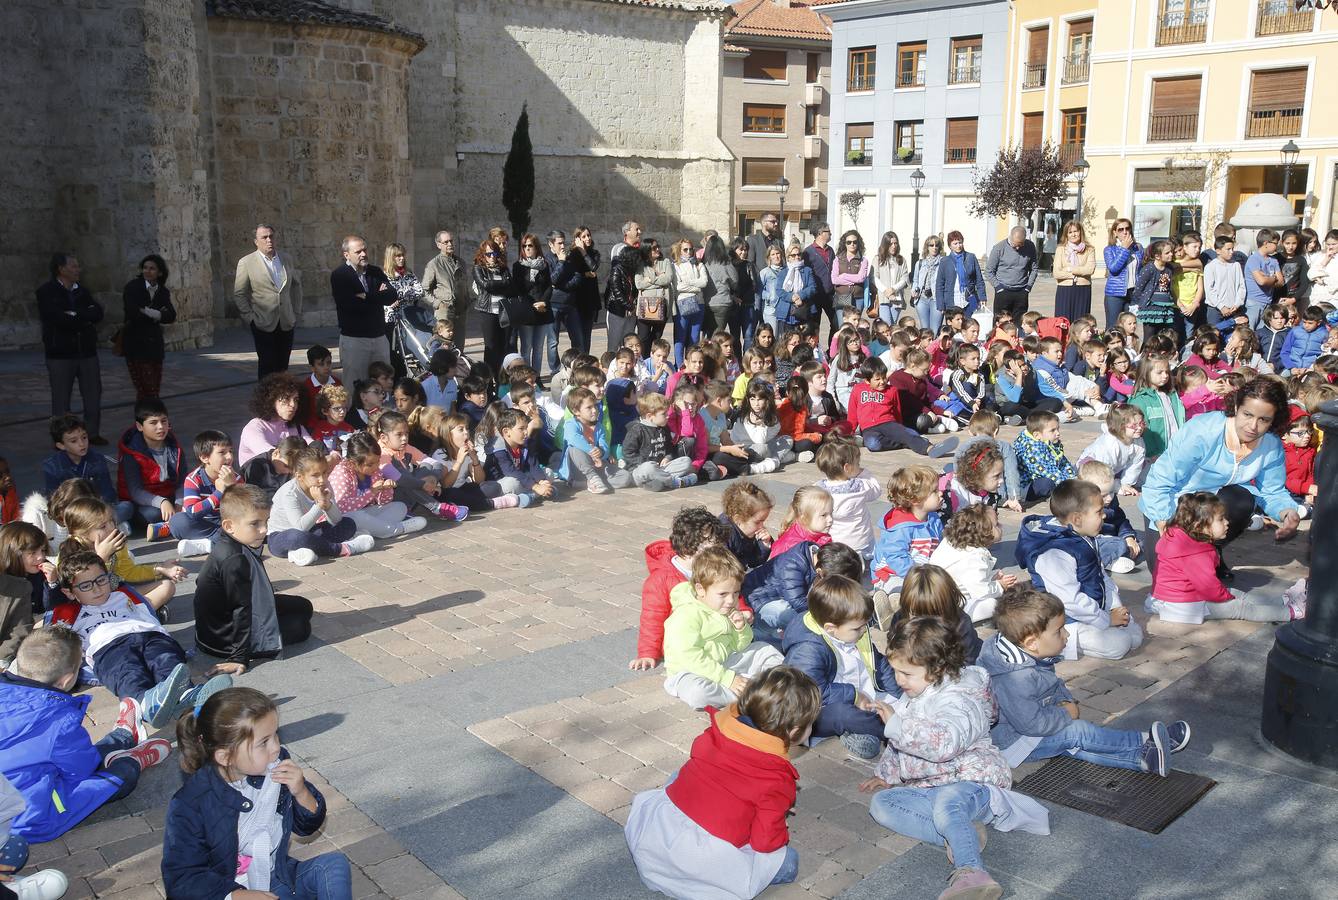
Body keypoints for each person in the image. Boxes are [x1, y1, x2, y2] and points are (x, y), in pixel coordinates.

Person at [862, 617, 1043, 900]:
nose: (898, 680)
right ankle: (963, 836)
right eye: (895, 671)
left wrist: (897, 725)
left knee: (948, 802)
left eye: (906, 673)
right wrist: (886, 774)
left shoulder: (960, 698)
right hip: (933, 786)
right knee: (883, 804)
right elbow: (901, 747)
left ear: (937, 669)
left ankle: (971, 872)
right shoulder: (919, 692)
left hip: (973, 783)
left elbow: (943, 744)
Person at [624, 666, 820, 899]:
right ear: (795, 730)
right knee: (788, 862)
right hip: (701, 860)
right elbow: (764, 841)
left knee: (679, 778)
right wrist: (778, 814)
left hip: (657, 835)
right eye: (811, 724)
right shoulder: (776, 778)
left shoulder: (716, 730)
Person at [163, 687, 352, 899]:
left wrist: (300, 792)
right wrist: (235, 896)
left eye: (275, 735)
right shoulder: (189, 804)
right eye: (264, 742)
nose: (276, 748)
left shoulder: (275, 767)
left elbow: (305, 827)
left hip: (278, 876)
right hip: (226, 890)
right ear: (225, 757)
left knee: (333, 865)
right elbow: (182, 880)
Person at [980, 587, 1188, 777]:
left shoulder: (1025, 651)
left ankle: (1144, 760)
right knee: (1079, 733)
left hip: (1028, 728)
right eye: (1059, 631)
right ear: (1032, 642)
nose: (1067, 634)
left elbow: (1051, 684)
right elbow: (1032, 724)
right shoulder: (1013, 678)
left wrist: (1063, 700)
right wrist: (1066, 713)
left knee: (1076, 746)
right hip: (1014, 743)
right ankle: (1146, 741)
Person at [0, 628, 171, 844]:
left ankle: (125, 733)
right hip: (29, 817)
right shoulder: (59, 721)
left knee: (66, 754)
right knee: (118, 778)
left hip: (20, 786)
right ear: (67, 680)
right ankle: (132, 759)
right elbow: (82, 770)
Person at [48, 549, 231, 726]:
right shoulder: (68, 611)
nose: (97, 589)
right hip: (108, 647)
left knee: (167, 660)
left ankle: (185, 696)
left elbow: (145, 604)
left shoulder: (122, 594)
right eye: (86, 585)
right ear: (70, 592)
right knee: (127, 672)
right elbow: (52, 639)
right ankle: (144, 703)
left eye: (101, 580)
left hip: (150, 634)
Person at [1140, 376, 1300, 565]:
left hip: (1213, 504)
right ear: (1236, 407)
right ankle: (1197, 553)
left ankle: (1210, 551)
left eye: (1264, 419)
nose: (1253, 426)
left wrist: (1287, 511)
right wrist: (1163, 520)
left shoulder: (1271, 446)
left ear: (1274, 420)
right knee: (1164, 572)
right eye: (1247, 414)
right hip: (1171, 501)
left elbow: (1272, 490)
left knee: (1242, 499)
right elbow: (1160, 481)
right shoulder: (1202, 431)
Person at [1015, 480, 1144, 660]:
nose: (1105, 516)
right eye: (1099, 512)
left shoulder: (1082, 536)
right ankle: (1063, 644)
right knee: (1120, 644)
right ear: (1077, 519)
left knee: (1130, 631)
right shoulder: (1054, 553)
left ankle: (1107, 627)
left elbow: (1100, 576)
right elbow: (1069, 601)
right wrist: (1106, 619)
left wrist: (1115, 606)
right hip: (1066, 621)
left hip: (1093, 611)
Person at [193, 484, 314, 670]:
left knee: (304, 606)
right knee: (301, 627)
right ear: (229, 526)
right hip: (226, 642)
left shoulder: (231, 541)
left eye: (266, 521)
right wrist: (239, 657)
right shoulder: (235, 559)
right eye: (255, 523)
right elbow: (241, 609)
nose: (264, 530)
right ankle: (242, 651)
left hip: (215, 629)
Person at [662, 546, 783, 710]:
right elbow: (690, 657)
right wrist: (728, 679)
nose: (731, 600)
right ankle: (753, 692)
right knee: (697, 693)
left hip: (727, 663)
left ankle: (764, 686)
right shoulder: (685, 616)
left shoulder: (723, 607)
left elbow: (739, 646)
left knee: (765, 650)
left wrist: (741, 629)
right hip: (691, 672)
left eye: (735, 593)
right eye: (723, 594)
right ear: (700, 589)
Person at [1145, 491, 1293, 625]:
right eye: (1221, 519)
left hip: (1173, 598)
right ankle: (1292, 612)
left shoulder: (1182, 537)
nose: (1227, 523)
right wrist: (1228, 600)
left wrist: (1228, 594)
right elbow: (1208, 587)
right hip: (1182, 606)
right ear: (1200, 525)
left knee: (1235, 592)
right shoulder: (1195, 552)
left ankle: (1282, 601)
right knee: (1240, 608)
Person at [630, 506, 730, 671]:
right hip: (682, 639)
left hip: (713, 630)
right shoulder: (661, 579)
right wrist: (647, 653)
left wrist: (742, 609)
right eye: (709, 547)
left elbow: (731, 591)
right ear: (687, 547)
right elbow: (652, 618)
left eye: (717, 546)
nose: (716, 552)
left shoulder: (715, 567)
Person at [37, 252, 105, 444]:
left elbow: (97, 313)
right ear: (61, 269)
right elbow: (56, 318)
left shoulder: (82, 291)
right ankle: (62, 438)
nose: (78, 270)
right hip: (60, 354)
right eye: (74, 266)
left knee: (93, 395)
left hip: (87, 352)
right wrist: (82, 317)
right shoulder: (47, 291)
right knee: (61, 399)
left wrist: (76, 314)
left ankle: (92, 433)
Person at [266, 444, 373, 567]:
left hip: (310, 531)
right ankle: (342, 548)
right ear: (300, 476)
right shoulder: (290, 493)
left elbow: (336, 520)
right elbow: (300, 528)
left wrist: (328, 505)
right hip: (281, 537)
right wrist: (320, 504)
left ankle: (300, 552)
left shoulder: (325, 484)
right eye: (315, 475)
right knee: (297, 537)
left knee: (348, 524)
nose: (322, 479)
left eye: (324, 473)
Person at [233, 225, 300, 379]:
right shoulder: (247, 262)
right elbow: (239, 293)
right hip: (262, 321)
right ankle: (266, 400)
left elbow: (296, 286)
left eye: (271, 236)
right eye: (264, 237)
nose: (269, 240)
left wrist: (295, 312)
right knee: (267, 365)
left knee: (283, 366)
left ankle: (282, 399)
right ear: (256, 241)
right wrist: (250, 317)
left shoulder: (286, 259)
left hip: (286, 321)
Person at [930, 504, 1015, 623]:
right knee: (993, 604)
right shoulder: (975, 557)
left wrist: (991, 578)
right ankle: (955, 620)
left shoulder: (952, 542)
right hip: (949, 606)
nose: (1001, 526)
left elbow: (969, 578)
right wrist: (1000, 585)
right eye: (996, 524)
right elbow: (981, 591)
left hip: (934, 597)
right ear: (984, 532)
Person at [331, 235, 395, 384]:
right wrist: (378, 296)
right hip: (355, 339)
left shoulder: (375, 272)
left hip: (379, 336)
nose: (363, 254)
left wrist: (366, 296)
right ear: (346, 255)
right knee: (356, 384)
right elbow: (350, 305)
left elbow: (392, 295)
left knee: (384, 382)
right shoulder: (340, 275)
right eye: (358, 251)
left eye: (365, 250)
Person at [166, 430, 241, 557]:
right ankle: (221, 542)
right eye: (222, 452)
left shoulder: (236, 478)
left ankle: (206, 545)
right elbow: (192, 512)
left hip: (226, 523)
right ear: (204, 457)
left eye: (230, 451)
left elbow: (243, 509)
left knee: (245, 527)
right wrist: (219, 493)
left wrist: (232, 487)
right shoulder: (194, 479)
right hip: (203, 524)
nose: (229, 457)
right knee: (178, 522)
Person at [117, 398, 187, 534]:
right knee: (152, 514)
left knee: (193, 504)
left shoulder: (175, 447)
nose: (160, 427)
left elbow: (182, 481)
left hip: (169, 496)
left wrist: (179, 502)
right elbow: (135, 491)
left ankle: (167, 525)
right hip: (142, 503)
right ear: (139, 426)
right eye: (153, 423)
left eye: (164, 421)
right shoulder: (131, 453)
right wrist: (162, 502)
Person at [871, 465, 943, 592]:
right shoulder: (900, 527)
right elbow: (896, 558)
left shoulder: (933, 518)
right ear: (915, 500)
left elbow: (940, 547)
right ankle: (890, 605)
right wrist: (917, 578)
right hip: (892, 573)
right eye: (934, 491)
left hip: (923, 571)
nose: (941, 493)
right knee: (898, 589)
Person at [39, 414, 124, 520]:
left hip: (97, 509)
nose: (82, 444)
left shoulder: (97, 459)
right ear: (61, 445)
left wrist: (96, 508)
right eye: (73, 441)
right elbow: (54, 500)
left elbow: (107, 492)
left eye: (84, 437)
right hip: (72, 514)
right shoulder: (52, 466)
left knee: (126, 507)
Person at [120, 253, 177, 401]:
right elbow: (133, 312)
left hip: (155, 346)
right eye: (145, 268)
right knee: (146, 388)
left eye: (152, 268)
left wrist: (151, 313)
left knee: (153, 388)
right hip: (136, 344)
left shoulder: (162, 291)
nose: (147, 271)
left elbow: (170, 315)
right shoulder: (133, 287)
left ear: (159, 272)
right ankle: (146, 420)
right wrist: (156, 314)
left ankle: (145, 420)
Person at [814, 437, 881, 558]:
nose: (859, 467)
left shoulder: (818, 489)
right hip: (861, 543)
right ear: (847, 468)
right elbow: (876, 490)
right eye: (858, 464)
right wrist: (863, 472)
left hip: (833, 543)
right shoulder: (860, 487)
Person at [237, 373, 311, 468]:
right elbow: (275, 457)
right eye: (286, 399)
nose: (293, 404)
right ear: (271, 400)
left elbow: (312, 446)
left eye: (296, 399)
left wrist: (332, 454)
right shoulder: (254, 428)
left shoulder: (296, 426)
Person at [514, 234, 555, 378]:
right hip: (527, 310)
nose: (527, 249)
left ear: (536, 247)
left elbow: (549, 286)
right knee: (526, 348)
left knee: (538, 348)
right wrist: (532, 305)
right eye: (524, 246)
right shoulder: (518, 266)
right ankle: (526, 377)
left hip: (543, 309)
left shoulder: (544, 265)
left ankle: (536, 378)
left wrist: (543, 302)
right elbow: (519, 289)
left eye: (530, 245)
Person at [1013, 410, 1076, 502]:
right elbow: (1047, 471)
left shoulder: (1048, 440)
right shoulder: (1032, 450)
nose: (1058, 433)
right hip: (1027, 485)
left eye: (1058, 429)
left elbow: (1062, 461)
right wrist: (1069, 485)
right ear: (1037, 435)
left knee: (1071, 473)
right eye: (1053, 430)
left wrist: (1073, 477)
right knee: (1047, 484)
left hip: (1044, 474)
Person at [421, 230, 469, 341]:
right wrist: (438, 303)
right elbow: (424, 290)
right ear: (438, 245)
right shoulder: (434, 264)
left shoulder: (461, 262)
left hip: (461, 310)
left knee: (459, 345)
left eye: (451, 241)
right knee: (444, 345)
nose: (450, 244)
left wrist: (467, 301)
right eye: (446, 242)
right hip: (445, 311)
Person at [668, 238, 708, 368]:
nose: (689, 252)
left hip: (699, 303)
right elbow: (678, 286)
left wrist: (690, 284)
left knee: (694, 337)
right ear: (680, 251)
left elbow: (704, 282)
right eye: (685, 249)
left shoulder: (699, 265)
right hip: (683, 303)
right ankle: (679, 365)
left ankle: (692, 363)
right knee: (681, 336)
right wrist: (696, 287)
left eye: (691, 249)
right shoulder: (675, 266)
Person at [934, 232, 987, 330]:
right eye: (955, 243)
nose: (959, 246)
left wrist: (982, 297)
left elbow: (979, 279)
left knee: (969, 327)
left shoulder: (971, 257)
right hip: (951, 300)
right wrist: (940, 304)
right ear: (950, 246)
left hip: (968, 299)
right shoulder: (945, 261)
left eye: (960, 242)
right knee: (954, 329)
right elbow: (939, 284)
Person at [985, 227, 1038, 323]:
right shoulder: (999, 248)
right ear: (1010, 237)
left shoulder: (1030, 246)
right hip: (1003, 290)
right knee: (1001, 323)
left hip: (1021, 292)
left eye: (1020, 245)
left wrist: (1028, 287)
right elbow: (989, 271)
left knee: (1020, 323)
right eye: (1014, 245)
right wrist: (998, 287)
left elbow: (1034, 269)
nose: (1017, 248)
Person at [1102, 217, 1142, 329]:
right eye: (1120, 229)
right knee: (1113, 327)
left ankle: (1128, 346)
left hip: (1133, 292)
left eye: (1127, 228)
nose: (1125, 232)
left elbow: (1141, 269)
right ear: (1115, 233)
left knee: (1130, 327)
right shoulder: (1109, 249)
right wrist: (1124, 249)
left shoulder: (1138, 248)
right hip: (1115, 293)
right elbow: (1114, 268)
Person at [634, 239, 673, 353]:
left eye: (658, 246)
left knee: (656, 339)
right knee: (643, 338)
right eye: (654, 248)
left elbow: (668, 279)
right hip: (644, 307)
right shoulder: (641, 265)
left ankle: (653, 361)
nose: (657, 249)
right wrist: (658, 279)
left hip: (662, 306)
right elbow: (639, 284)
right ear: (647, 250)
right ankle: (644, 361)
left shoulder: (665, 262)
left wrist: (650, 280)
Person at [1052, 221, 1095, 321]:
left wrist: (1070, 269)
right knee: (1063, 321)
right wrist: (1075, 275)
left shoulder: (1089, 249)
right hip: (1064, 289)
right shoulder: (1061, 249)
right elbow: (1057, 273)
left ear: (1081, 232)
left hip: (1083, 289)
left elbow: (1090, 269)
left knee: (1081, 322)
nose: (1073, 234)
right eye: (1070, 232)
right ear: (1066, 234)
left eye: (1076, 231)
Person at [1204, 234, 1247, 327]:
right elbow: (1209, 290)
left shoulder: (1236, 265)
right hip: (1215, 310)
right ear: (1218, 251)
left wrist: (1237, 304)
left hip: (1233, 309)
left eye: (1232, 249)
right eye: (1228, 249)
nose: (1231, 252)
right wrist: (1221, 306)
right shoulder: (1211, 267)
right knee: (1215, 334)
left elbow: (1241, 286)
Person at [1244, 229, 1284, 329]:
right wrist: (1273, 278)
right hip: (1254, 303)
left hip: (1267, 303)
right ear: (1266, 243)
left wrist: (1269, 279)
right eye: (1275, 243)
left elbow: (1281, 282)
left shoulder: (1274, 261)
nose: (1277, 246)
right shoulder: (1254, 259)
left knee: (1262, 333)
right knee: (1248, 331)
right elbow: (1261, 281)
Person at [831, 231, 870, 331]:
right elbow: (834, 279)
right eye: (849, 242)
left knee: (855, 327)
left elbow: (861, 278)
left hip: (858, 298)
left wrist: (843, 276)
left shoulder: (863, 260)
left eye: (854, 242)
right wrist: (853, 279)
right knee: (843, 327)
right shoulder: (837, 259)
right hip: (841, 298)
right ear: (844, 243)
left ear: (858, 243)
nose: (852, 244)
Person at [701, 234, 738, 339]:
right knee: (718, 335)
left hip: (707, 302)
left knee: (709, 334)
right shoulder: (726, 264)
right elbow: (735, 282)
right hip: (723, 302)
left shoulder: (704, 264)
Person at [803, 223, 837, 335]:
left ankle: (832, 350)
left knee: (836, 323)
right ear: (820, 233)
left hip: (830, 294)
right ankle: (815, 350)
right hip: (815, 295)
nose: (830, 233)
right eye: (828, 231)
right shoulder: (808, 252)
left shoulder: (830, 250)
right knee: (814, 325)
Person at [872, 231, 910, 326]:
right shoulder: (877, 259)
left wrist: (893, 289)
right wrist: (885, 290)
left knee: (893, 325)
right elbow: (874, 277)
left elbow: (905, 278)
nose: (894, 246)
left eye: (895, 243)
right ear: (885, 244)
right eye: (891, 243)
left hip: (896, 298)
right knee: (886, 325)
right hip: (883, 298)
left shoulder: (901, 260)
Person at [912, 235, 944, 331]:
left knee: (935, 330)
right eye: (931, 245)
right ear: (927, 247)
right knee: (925, 330)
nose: (934, 247)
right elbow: (915, 280)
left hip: (936, 299)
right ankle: (926, 347)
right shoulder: (920, 263)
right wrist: (914, 290)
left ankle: (934, 346)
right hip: (922, 299)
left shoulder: (943, 262)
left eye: (937, 245)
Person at [746, 213, 785, 287]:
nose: (776, 224)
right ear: (764, 223)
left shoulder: (779, 242)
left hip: (777, 284)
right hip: (759, 283)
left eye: (776, 221)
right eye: (773, 221)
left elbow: (783, 262)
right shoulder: (753, 240)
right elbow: (751, 263)